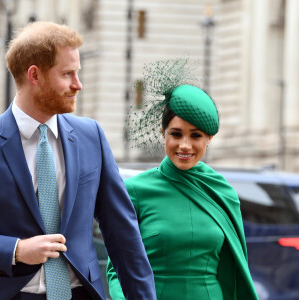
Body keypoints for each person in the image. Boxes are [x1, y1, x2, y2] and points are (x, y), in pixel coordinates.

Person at [0, 21, 156, 300]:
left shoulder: (90, 136)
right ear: (34, 75)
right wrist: (15, 251)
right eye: (68, 74)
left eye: (77, 73)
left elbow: (123, 233)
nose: (78, 85)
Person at [106, 59, 259, 299]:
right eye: (176, 134)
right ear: (162, 133)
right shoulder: (134, 190)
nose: (185, 145)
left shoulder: (222, 192)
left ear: (208, 139)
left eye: (195, 136)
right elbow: (117, 269)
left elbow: (234, 270)